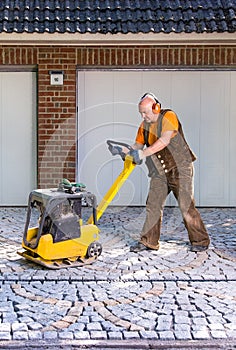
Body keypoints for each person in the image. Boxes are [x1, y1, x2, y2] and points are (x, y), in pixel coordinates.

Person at [112, 92, 210, 253]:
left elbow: (164, 140)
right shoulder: (144, 126)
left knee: (186, 205)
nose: (143, 116)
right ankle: (149, 242)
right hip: (159, 173)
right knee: (153, 205)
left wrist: (144, 153)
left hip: (180, 169)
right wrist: (123, 151)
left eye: (145, 112)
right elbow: (137, 147)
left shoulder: (168, 116)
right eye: (141, 113)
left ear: (156, 108)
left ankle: (200, 241)